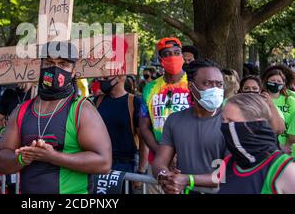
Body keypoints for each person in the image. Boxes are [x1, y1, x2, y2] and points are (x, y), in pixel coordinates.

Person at [0, 41, 112, 194]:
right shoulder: (21, 111)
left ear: (73, 71)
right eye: (49, 62)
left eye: (63, 64)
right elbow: (1, 161)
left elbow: (103, 163)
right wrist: (21, 158)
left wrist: (53, 156)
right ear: (41, 66)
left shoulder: (82, 110)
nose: (55, 69)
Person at [152, 59, 228, 194]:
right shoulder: (175, 120)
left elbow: (228, 172)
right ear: (191, 86)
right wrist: (164, 176)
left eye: (219, 84)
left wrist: (187, 179)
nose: (215, 89)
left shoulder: (230, 121)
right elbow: (160, 161)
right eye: (208, 83)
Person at [218, 93, 295, 194]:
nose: (224, 126)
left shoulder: (284, 170)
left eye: (230, 121)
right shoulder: (229, 162)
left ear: (254, 125)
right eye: (223, 120)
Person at [139, 37, 192, 173]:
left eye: (176, 52)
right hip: (157, 162)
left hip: (189, 160)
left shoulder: (193, 84)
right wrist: (162, 154)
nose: (173, 57)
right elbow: (144, 127)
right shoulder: (149, 88)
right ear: (160, 59)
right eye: (167, 54)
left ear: (181, 55)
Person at [95, 75, 143, 173]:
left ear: (120, 77)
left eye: (106, 78)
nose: (101, 80)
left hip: (125, 165)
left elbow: (143, 139)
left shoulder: (134, 102)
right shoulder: (98, 100)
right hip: (100, 162)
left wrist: (141, 170)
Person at [262, 67, 295, 153]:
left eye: (279, 81)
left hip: (288, 147)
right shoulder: (261, 99)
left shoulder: (290, 100)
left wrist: (288, 144)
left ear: (283, 84)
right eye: (272, 80)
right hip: (266, 145)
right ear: (266, 81)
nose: (275, 83)